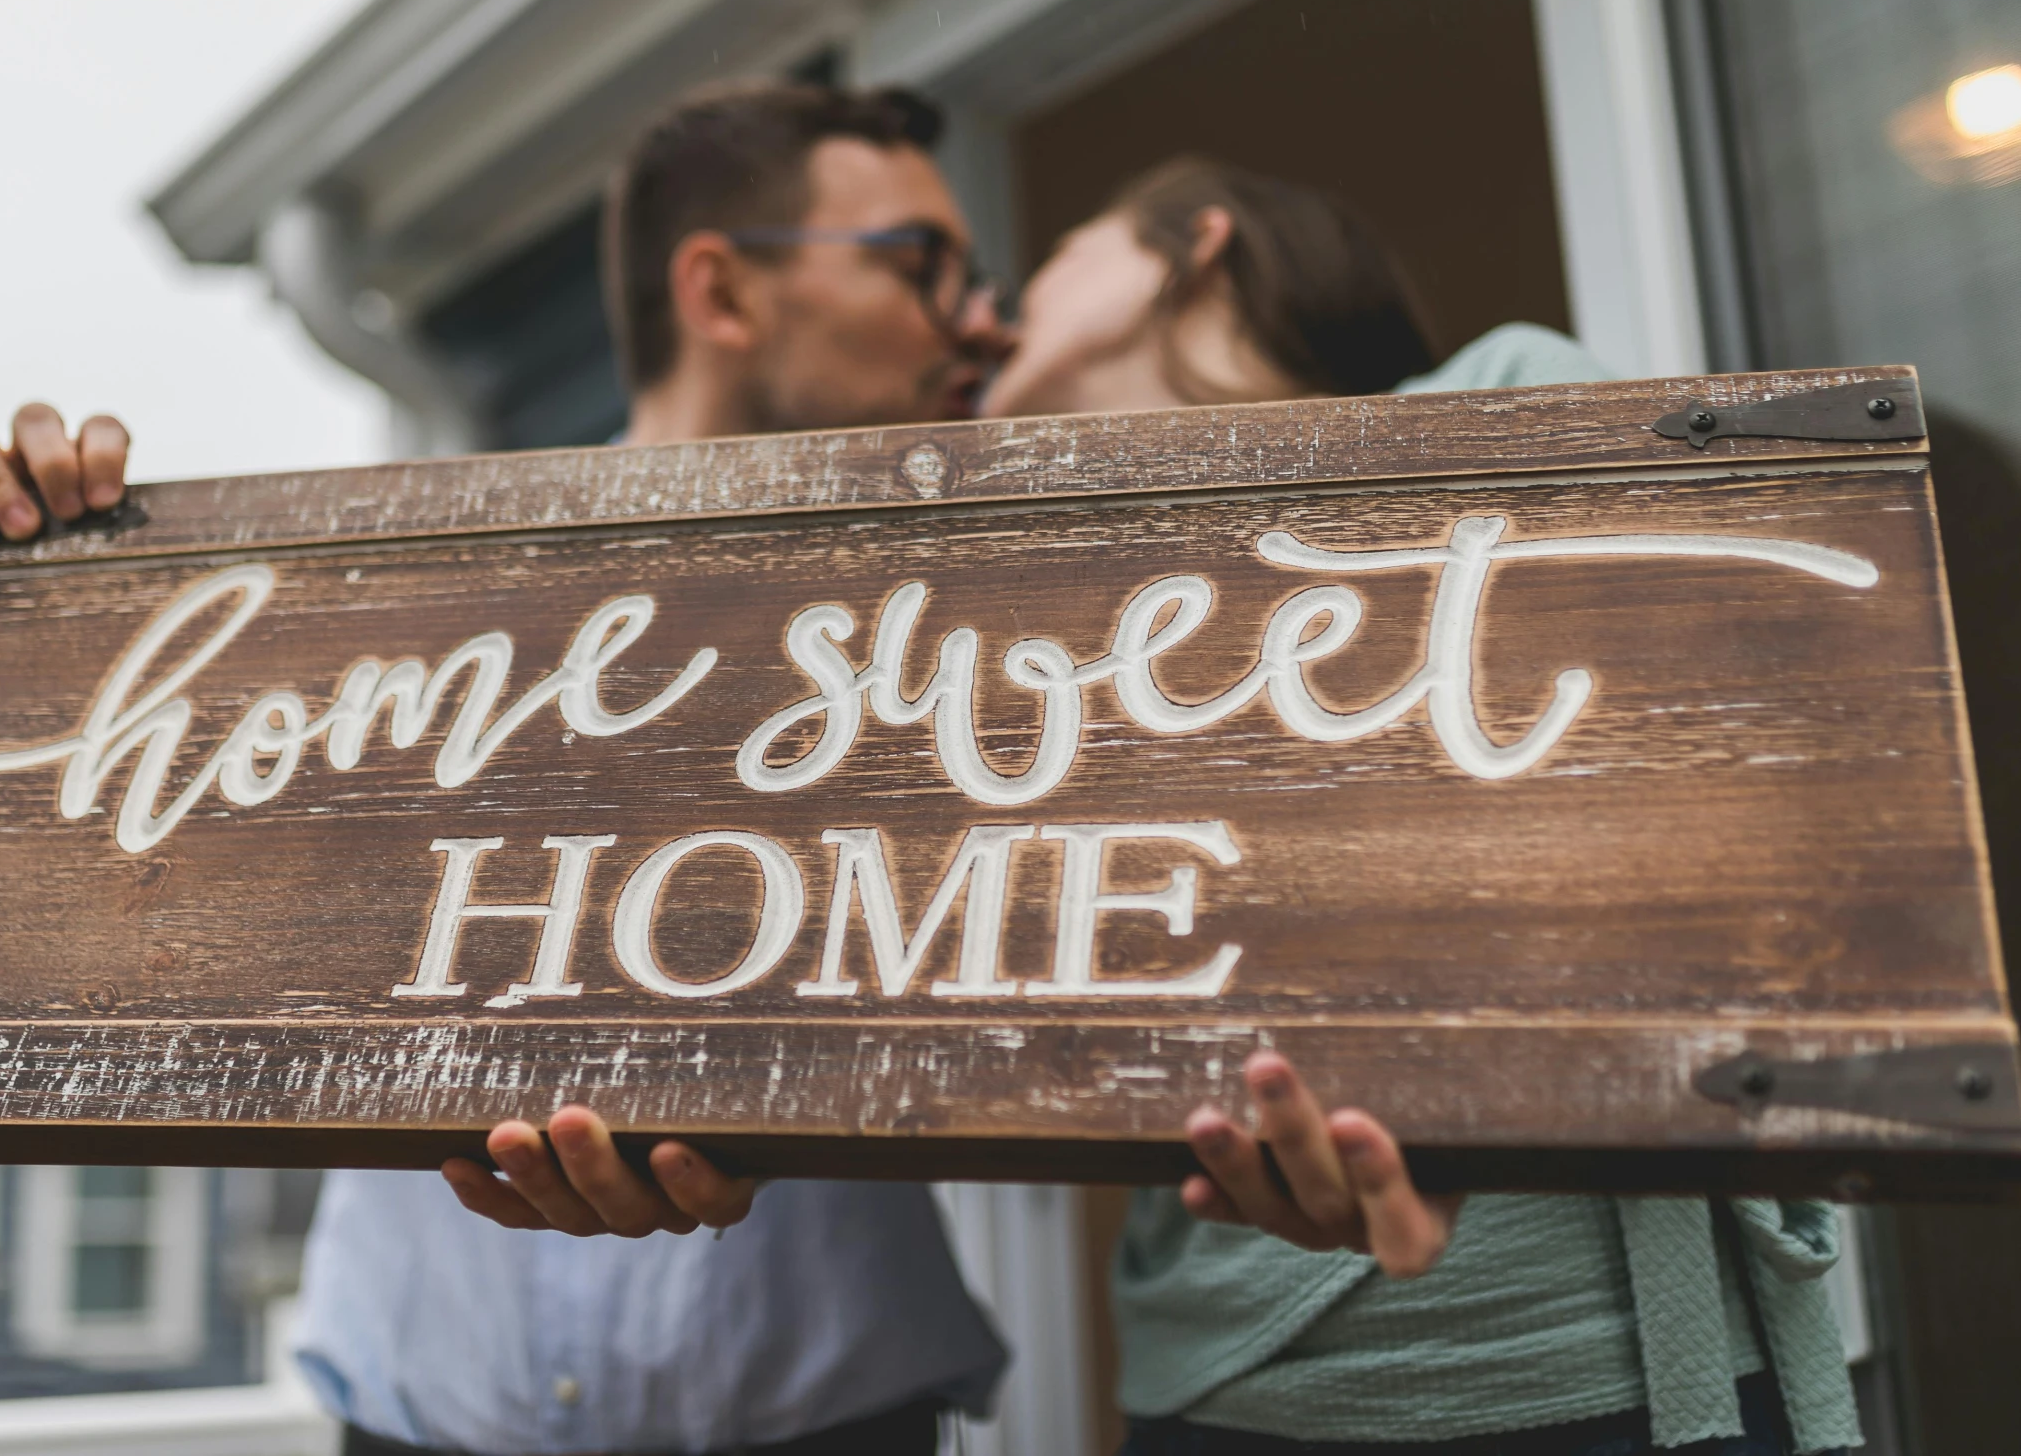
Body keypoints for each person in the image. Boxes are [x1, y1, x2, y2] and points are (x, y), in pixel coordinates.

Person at [473, 159, 1861, 1456]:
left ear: (1192, 245)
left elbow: (1687, 799)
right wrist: (706, 1105)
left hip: (1581, 1373)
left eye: (1053, 257)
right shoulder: (1050, 627)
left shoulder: (1499, 388)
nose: (991, 315)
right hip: (1209, 1384)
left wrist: (1469, 1101)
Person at [0, 82, 1012, 1456]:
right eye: (921, 265)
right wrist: (55, 634)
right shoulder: (400, 609)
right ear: (722, 293)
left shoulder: (994, 638)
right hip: (416, 1418)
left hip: (828, 1420)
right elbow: (147, 894)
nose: (977, 317)